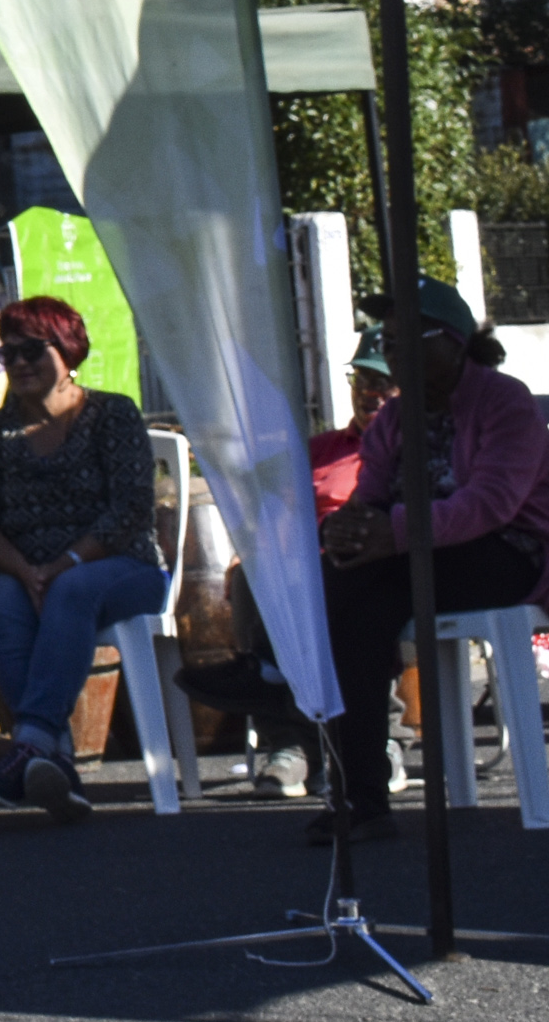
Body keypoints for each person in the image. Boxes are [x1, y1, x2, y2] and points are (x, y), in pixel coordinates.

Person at [207, 279, 549, 845]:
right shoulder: (393, 421)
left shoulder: (504, 401)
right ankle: (362, 798)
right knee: (356, 609)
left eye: (411, 337)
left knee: (364, 584)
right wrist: (346, 528)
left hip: (511, 552)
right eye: (388, 341)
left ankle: (276, 673)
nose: (394, 352)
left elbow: (492, 504)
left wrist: (387, 532)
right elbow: (370, 496)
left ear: (457, 342)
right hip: (415, 554)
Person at [0, 295, 167, 825]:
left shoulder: (112, 414)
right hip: (28, 573)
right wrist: (27, 571)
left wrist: (64, 563)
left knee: (73, 590)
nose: (20, 363)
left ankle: (31, 743)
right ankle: (55, 763)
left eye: (33, 350)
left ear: (68, 349)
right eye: (9, 354)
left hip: (123, 567)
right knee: (0, 600)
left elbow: (131, 511)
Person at [181, 327, 397, 800]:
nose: (371, 395)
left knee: (313, 587)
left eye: (383, 385)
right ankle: (289, 738)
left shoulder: (401, 451)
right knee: (253, 576)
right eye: (362, 383)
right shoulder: (320, 449)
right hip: (304, 559)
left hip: (366, 561)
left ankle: (317, 719)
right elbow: (273, 505)